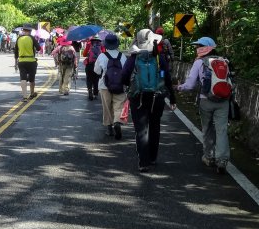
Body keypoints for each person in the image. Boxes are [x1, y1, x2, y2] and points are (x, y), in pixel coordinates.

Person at [176, 36, 232, 174]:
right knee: (222, 130)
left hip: (205, 100)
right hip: (223, 101)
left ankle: (209, 157)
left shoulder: (199, 63)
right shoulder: (223, 61)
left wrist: (179, 88)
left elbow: (190, 85)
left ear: (202, 48)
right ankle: (222, 161)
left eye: (198, 46)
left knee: (207, 129)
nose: (196, 48)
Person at [122, 28, 175, 172]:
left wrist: (132, 84)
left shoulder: (133, 59)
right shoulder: (159, 58)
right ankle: (152, 157)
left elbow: (124, 78)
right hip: (157, 98)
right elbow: (166, 78)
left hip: (138, 98)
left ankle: (143, 162)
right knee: (155, 126)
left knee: (141, 130)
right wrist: (172, 98)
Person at [93, 32, 127, 139]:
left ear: (106, 44)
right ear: (117, 44)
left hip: (104, 85)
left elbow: (97, 71)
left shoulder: (102, 56)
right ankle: (117, 121)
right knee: (119, 105)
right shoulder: (123, 56)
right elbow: (127, 71)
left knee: (107, 106)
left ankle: (109, 128)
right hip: (120, 85)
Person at [13, 24, 38, 100]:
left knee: (23, 78)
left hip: (21, 61)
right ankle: (32, 93)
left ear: (23, 30)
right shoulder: (32, 38)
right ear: (30, 31)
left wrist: (15, 63)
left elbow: (16, 52)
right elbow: (39, 48)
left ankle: (24, 96)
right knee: (32, 78)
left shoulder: (19, 39)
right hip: (31, 60)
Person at [81, 36, 103, 101]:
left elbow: (84, 54)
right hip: (98, 65)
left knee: (89, 78)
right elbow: (104, 54)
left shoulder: (89, 44)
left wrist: (88, 54)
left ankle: (90, 90)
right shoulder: (101, 45)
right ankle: (96, 93)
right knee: (96, 79)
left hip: (89, 65)